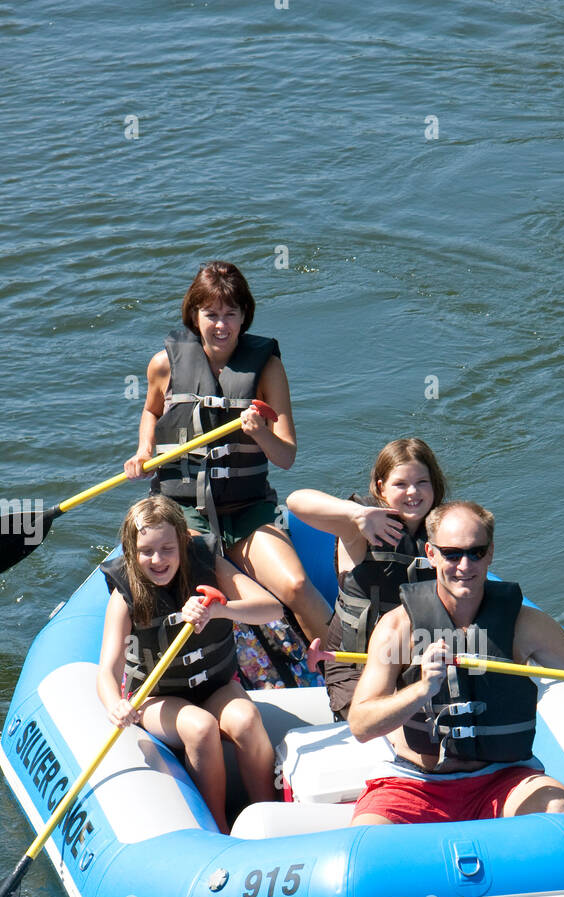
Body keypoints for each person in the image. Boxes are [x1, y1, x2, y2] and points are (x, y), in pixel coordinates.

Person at [348, 500, 564, 825]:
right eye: (452, 553)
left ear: (490, 554)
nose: (464, 565)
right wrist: (422, 689)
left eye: (476, 552)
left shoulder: (526, 625)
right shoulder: (397, 627)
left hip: (502, 781)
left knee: (559, 806)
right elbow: (360, 725)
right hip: (417, 784)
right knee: (366, 837)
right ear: (431, 553)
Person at [123, 260, 331, 645]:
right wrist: (143, 449)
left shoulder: (267, 368)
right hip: (183, 510)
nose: (221, 325)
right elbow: (152, 410)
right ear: (193, 316)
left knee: (298, 584)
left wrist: (262, 434)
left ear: (244, 316)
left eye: (230, 314)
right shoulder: (163, 365)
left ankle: (347, 674)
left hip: (247, 508)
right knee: (200, 587)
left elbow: (285, 457)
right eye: (211, 314)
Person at [97, 496, 283, 835]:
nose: (157, 559)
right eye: (146, 551)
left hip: (216, 686)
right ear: (131, 551)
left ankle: (269, 815)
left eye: (167, 548)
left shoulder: (207, 563)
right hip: (158, 698)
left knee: (245, 719)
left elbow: (272, 608)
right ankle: (218, 829)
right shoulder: (124, 595)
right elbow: (108, 669)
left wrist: (220, 610)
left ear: (183, 542)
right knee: (200, 727)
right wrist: (115, 704)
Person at [287, 438, 446, 719]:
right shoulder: (361, 529)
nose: (413, 492)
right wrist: (356, 514)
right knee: (384, 723)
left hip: (416, 661)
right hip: (355, 665)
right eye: (400, 484)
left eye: (422, 482)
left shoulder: (445, 530)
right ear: (381, 487)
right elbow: (296, 501)